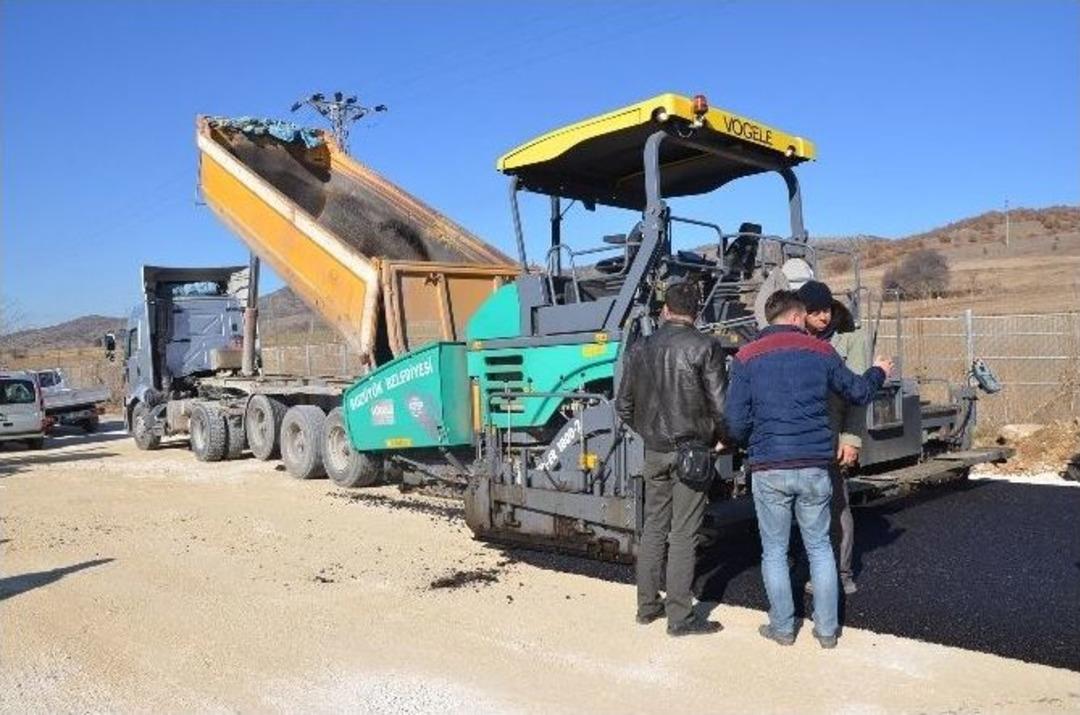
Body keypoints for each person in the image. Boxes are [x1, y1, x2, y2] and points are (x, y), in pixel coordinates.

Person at [725, 290, 891, 648]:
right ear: (797, 317)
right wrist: (879, 371)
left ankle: (783, 628)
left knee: (774, 551)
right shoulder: (822, 352)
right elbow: (858, 392)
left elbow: (735, 422)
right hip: (815, 464)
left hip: (769, 466)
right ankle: (827, 631)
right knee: (819, 547)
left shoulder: (746, 357)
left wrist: (753, 440)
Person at [616, 281, 727, 637]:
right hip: (694, 452)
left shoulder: (639, 348)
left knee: (653, 528)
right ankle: (680, 617)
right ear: (697, 311)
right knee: (683, 533)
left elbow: (623, 406)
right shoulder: (706, 347)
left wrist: (650, 433)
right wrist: (723, 439)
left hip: (655, 451)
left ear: (665, 309)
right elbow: (721, 406)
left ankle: (647, 607)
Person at [798, 280, 867, 595]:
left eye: (826, 309)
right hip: (800, 441)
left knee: (837, 505)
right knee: (807, 508)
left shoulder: (848, 341)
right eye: (815, 311)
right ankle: (814, 567)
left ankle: (841, 573)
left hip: (832, 438)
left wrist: (850, 438)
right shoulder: (794, 340)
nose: (823, 316)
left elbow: (858, 395)